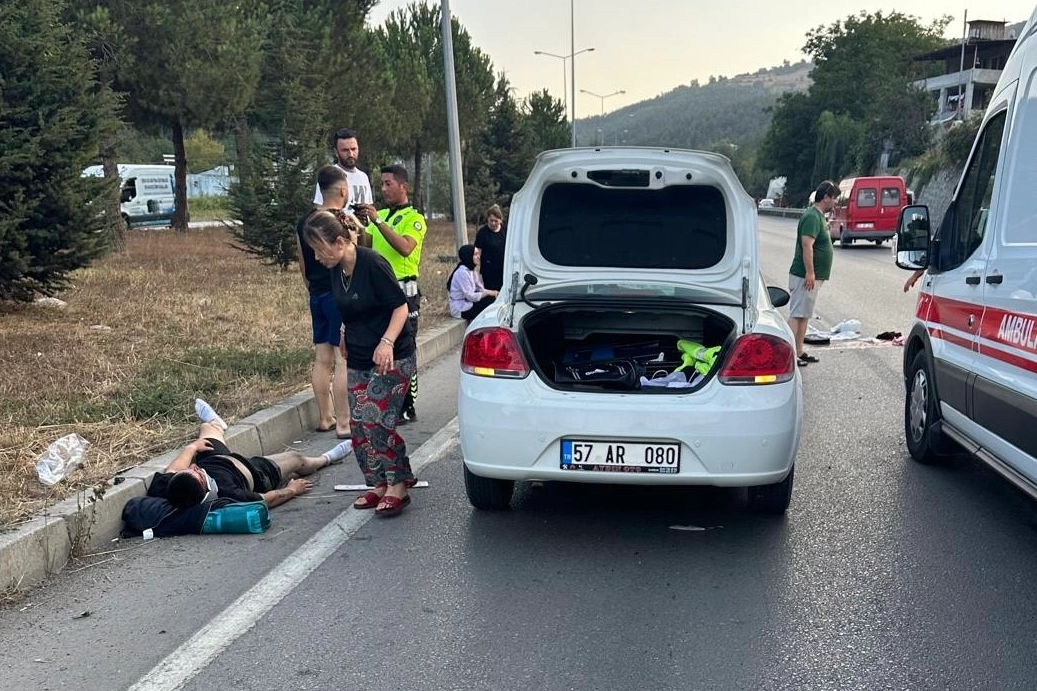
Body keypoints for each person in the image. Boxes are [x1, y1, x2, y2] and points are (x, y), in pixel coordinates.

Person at [302, 210, 417, 517]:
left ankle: (398, 484)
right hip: (358, 354)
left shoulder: (373, 264)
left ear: (340, 242)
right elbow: (347, 307)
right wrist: (342, 334)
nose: (316, 257)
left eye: (319, 249)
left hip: (392, 356)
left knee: (376, 419)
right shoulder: (335, 268)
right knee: (358, 425)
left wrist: (387, 343)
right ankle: (378, 483)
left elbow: (400, 307)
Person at [151, 399, 353, 510]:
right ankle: (327, 458)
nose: (193, 466)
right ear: (206, 487)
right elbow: (266, 500)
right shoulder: (228, 495)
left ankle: (217, 424)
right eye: (195, 472)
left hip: (215, 459)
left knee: (207, 429)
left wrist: (192, 448)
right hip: (256, 471)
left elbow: (173, 470)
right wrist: (292, 490)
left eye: (190, 470)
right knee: (296, 459)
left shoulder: (169, 487)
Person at [354, 164, 426, 424]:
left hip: (405, 292)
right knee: (383, 346)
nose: (383, 189)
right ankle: (386, 400)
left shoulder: (414, 218)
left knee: (405, 348)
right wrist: (356, 226)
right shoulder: (380, 215)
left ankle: (408, 404)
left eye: (388, 184)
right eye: (381, 184)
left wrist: (377, 221)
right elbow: (364, 246)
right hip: (378, 293)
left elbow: (405, 247)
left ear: (403, 186)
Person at [297, 165, 351, 438]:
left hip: (316, 294)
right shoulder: (337, 222)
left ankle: (325, 416)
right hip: (337, 293)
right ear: (342, 190)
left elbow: (302, 262)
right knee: (343, 358)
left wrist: (311, 286)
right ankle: (344, 421)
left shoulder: (304, 222)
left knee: (322, 358)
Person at [788, 180, 839, 367]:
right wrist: (810, 272)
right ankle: (789, 355)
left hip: (812, 277)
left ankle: (799, 350)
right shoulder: (811, 216)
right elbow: (807, 245)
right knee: (797, 314)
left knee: (804, 314)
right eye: (834, 198)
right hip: (804, 275)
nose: (835, 202)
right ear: (826, 197)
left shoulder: (819, 217)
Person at [313, 128, 373, 213]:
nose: (351, 154)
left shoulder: (363, 177)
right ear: (336, 152)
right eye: (345, 150)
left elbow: (369, 207)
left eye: (354, 149)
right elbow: (319, 208)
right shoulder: (330, 175)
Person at [448, 244, 498, 322]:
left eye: (478, 254)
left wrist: (494, 292)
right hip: (461, 309)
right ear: (468, 256)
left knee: (494, 299)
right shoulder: (462, 272)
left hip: (469, 303)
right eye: (475, 254)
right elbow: (470, 296)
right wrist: (488, 293)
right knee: (490, 302)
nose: (479, 257)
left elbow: (480, 288)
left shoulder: (471, 269)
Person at [474, 204, 506, 292]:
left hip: (504, 269)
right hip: (488, 271)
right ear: (487, 219)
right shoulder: (482, 233)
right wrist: (474, 270)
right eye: (491, 220)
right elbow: (477, 253)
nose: (493, 223)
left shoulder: (506, 230)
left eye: (496, 221)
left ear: (500, 220)